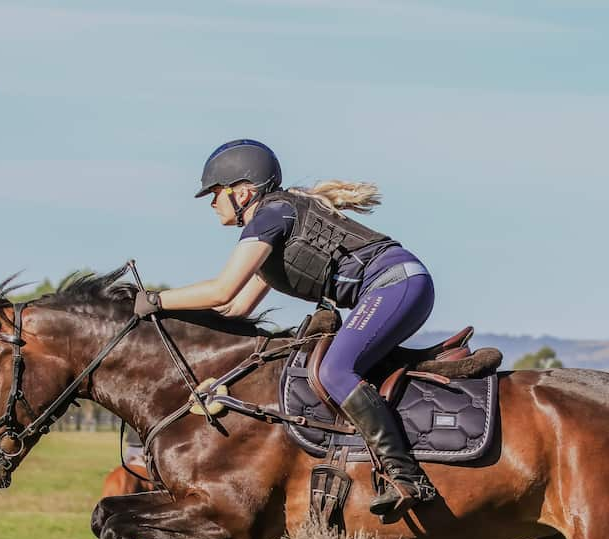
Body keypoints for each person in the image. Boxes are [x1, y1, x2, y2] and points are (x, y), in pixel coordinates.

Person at [133, 139, 437, 516]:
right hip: (397, 285)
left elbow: (221, 289)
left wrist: (157, 299)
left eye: (215, 192)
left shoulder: (272, 215)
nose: (211, 203)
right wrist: (170, 322)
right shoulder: (272, 226)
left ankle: (403, 475)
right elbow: (234, 307)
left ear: (243, 191)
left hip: (396, 283)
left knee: (334, 370)